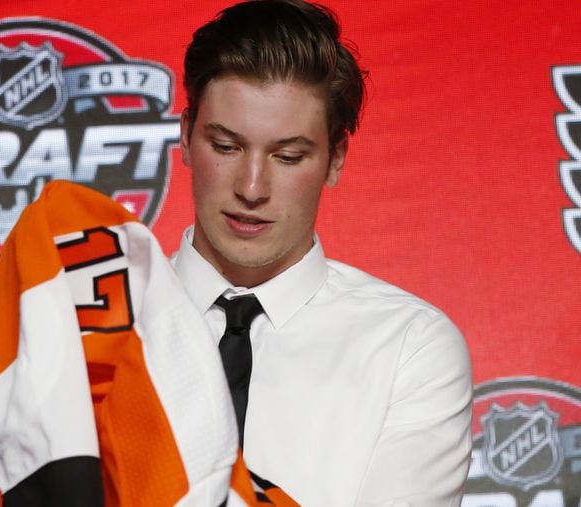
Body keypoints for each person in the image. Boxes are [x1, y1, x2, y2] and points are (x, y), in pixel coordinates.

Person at [172, 0, 473, 505]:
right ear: (185, 136)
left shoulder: (408, 348)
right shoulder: (84, 324)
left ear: (335, 159)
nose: (251, 187)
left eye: (288, 156)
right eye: (225, 147)